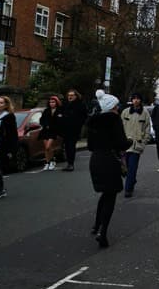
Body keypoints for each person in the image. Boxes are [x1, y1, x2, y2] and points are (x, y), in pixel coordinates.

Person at [87, 90, 132, 248]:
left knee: (105, 193)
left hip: (95, 160)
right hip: (109, 160)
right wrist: (129, 141)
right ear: (112, 106)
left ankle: (96, 226)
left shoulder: (93, 121)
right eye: (116, 106)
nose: (118, 108)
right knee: (110, 195)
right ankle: (102, 232)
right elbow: (121, 143)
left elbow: (90, 145)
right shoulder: (114, 120)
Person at [120, 92, 151, 198]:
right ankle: (132, 180)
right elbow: (120, 127)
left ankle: (128, 189)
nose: (136, 100)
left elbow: (147, 129)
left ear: (141, 100)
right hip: (125, 144)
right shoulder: (125, 112)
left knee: (132, 168)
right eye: (134, 99)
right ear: (131, 100)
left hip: (137, 145)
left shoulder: (145, 113)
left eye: (138, 99)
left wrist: (144, 142)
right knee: (125, 169)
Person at [0, 95, 18, 198]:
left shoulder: (9, 117)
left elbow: (13, 135)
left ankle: (1, 189)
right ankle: (1, 189)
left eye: (1, 103)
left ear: (6, 105)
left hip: (0, 147)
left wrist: (12, 150)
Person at [61, 88, 88, 171]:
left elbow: (84, 116)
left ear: (76, 96)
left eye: (72, 95)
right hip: (65, 129)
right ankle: (68, 163)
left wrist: (78, 124)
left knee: (71, 145)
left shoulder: (80, 105)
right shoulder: (65, 104)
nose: (70, 97)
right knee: (66, 146)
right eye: (69, 95)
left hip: (74, 129)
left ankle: (71, 164)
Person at [39, 95, 65, 170]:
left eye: (53, 102)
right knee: (46, 148)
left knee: (48, 146)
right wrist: (45, 124)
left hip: (53, 131)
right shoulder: (46, 110)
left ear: (56, 102)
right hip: (45, 131)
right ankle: (47, 162)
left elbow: (61, 120)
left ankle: (52, 161)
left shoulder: (60, 110)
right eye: (50, 102)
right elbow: (41, 120)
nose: (51, 103)